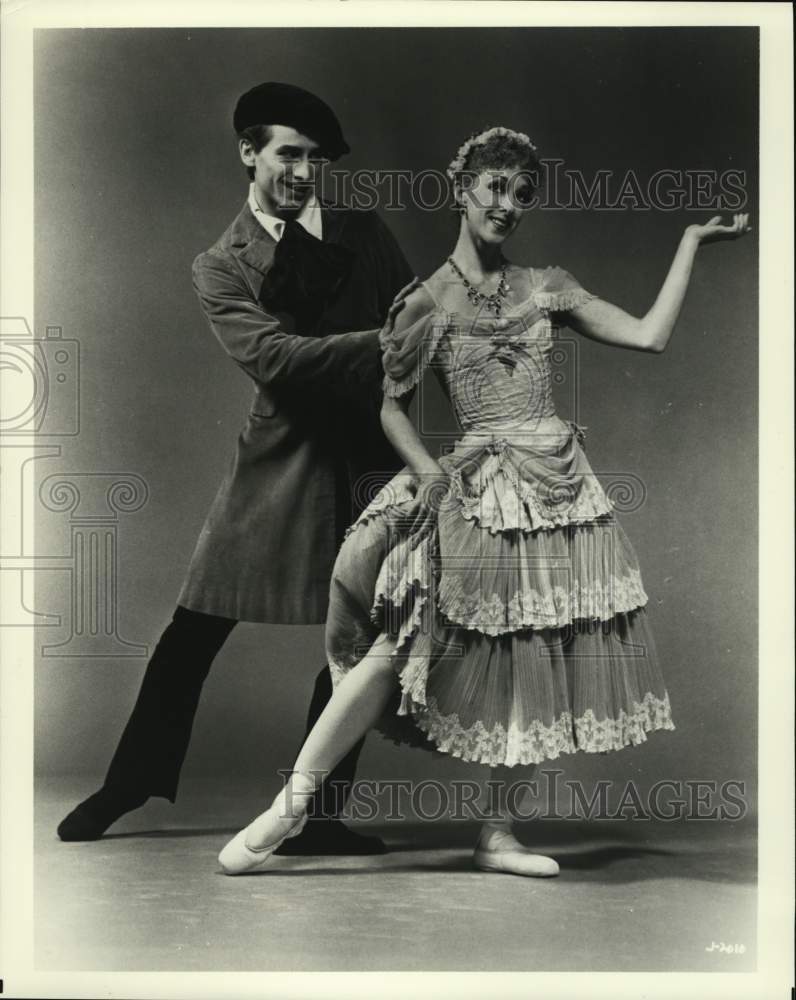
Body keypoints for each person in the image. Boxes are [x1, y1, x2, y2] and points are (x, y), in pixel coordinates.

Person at [217, 125, 751, 877]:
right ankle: (292, 805)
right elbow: (390, 408)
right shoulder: (425, 301)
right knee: (398, 647)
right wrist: (427, 475)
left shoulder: (546, 286)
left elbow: (650, 337)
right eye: (495, 187)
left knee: (539, 650)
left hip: (563, 493)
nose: (508, 204)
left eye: (522, 193)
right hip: (481, 487)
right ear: (461, 190)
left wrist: (691, 241)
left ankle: (497, 833)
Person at [57, 81, 416, 852]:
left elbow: (420, 313)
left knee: (360, 639)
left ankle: (317, 814)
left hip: (370, 457)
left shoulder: (364, 228)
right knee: (193, 629)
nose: (303, 173)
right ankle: (127, 784)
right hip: (278, 461)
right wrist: (383, 344)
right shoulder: (219, 265)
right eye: (288, 154)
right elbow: (274, 359)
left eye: (315, 159)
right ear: (248, 153)